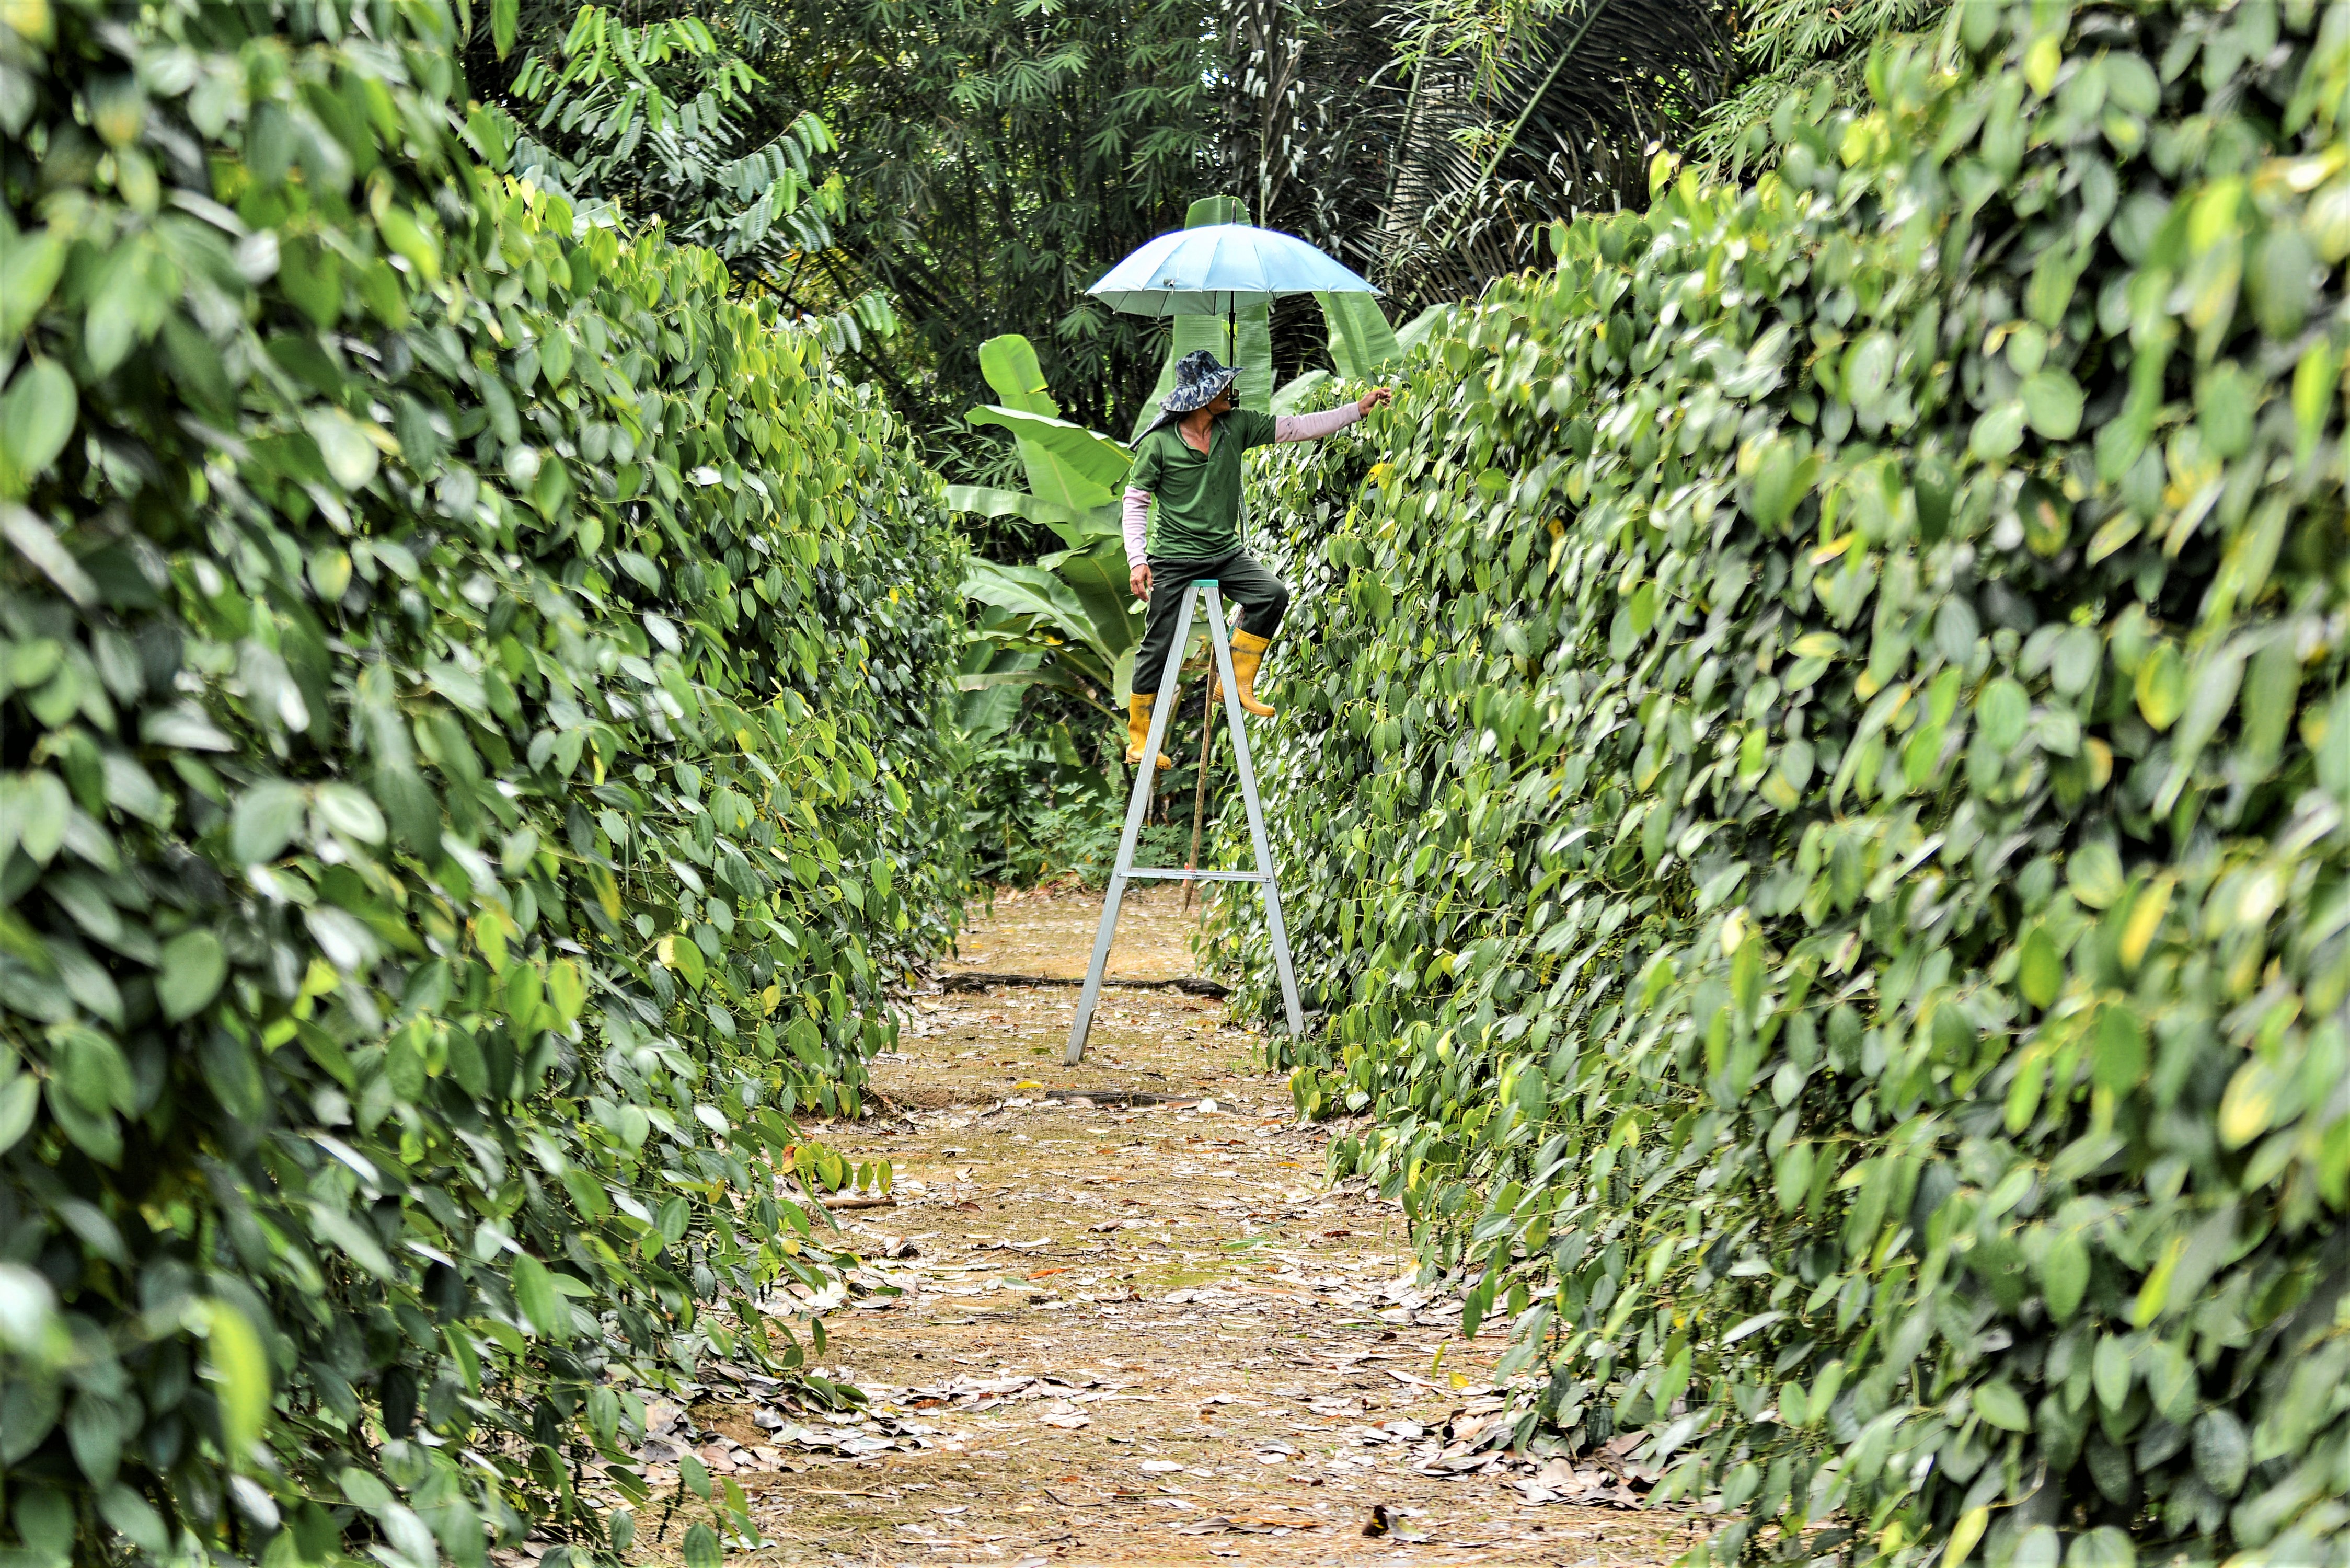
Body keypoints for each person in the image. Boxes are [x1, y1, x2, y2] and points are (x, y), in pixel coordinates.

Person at [1120, 350, 1393, 767]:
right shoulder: (1159, 444)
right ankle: (1140, 739)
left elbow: (1297, 427)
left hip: (1223, 553)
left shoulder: (1237, 426)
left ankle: (1235, 682)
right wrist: (1138, 559)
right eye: (1223, 387)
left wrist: (1357, 410)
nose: (1231, 391)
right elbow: (1136, 501)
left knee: (1271, 594)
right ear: (1202, 397)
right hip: (1174, 558)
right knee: (1158, 644)